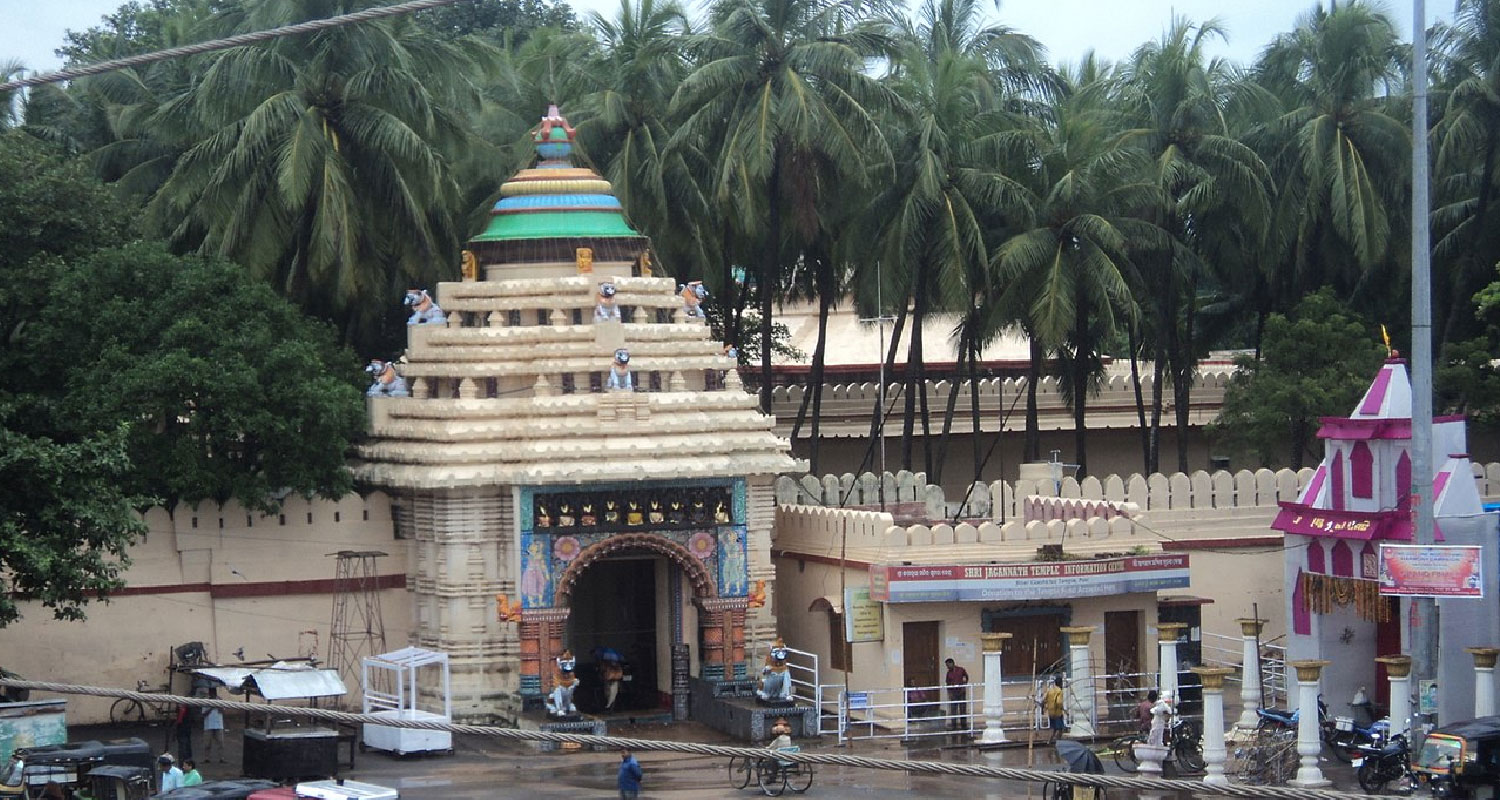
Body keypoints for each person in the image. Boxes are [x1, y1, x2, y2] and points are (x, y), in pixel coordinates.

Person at [944, 658, 970, 731]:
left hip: (961, 691)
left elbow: (966, 677)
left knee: (962, 709)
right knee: (953, 710)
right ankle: (954, 726)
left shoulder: (961, 670)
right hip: (953, 693)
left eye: (948, 665)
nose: (947, 667)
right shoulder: (948, 673)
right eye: (946, 665)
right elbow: (948, 684)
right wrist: (950, 693)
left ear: (952, 663)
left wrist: (963, 685)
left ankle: (964, 726)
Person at [1042, 675, 1066, 743]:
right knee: (1060, 728)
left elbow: (1044, 699)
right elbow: (1059, 702)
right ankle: (1059, 742)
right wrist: (1062, 708)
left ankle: (1049, 741)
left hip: (1051, 712)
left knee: (1053, 728)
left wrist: (1045, 708)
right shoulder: (1059, 691)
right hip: (1057, 712)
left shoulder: (1050, 690)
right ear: (1061, 683)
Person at [202, 694, 226, 763]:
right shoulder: (206, 701)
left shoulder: (220, 700)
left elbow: (223, 712)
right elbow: (203, 714)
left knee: (221, 742)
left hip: (219, 725)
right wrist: (211, 707)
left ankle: (222, 758)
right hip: (208, 725)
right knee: (207, 743)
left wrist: (218, 705)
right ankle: (207, 758)